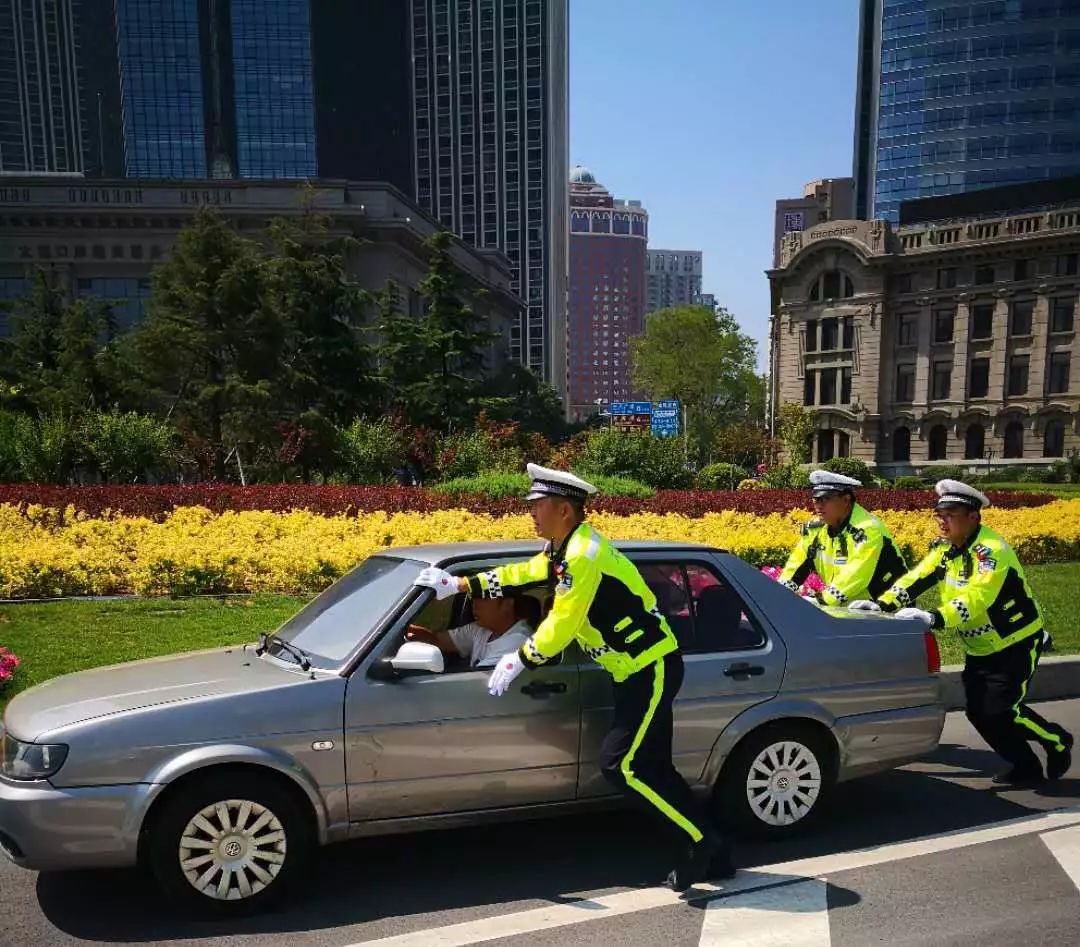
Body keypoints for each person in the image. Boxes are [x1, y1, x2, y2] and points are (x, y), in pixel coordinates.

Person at [413, 463, 735, 890]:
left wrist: (521, 658)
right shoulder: (563, 548)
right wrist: (460, 585)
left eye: (538, 505)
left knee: (623, 766)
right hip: (632, 670)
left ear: (564, 509)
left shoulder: (582, 556)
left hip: (649, 667)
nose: (531, 513)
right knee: (653, 767)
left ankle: (700, 844)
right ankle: (716, 851)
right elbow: (521, 575)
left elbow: (563, 620)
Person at [850, 479, 1073, 787]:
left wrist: (935, 617)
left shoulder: (991, 552)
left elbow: (976, 597)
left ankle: (1056, 740)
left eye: (950, 513)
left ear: (973, 517)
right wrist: (881, 604)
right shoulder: (945, 549)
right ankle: (1026, 767)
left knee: (1000, 711)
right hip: (979, 646)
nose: (942, 520)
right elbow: (916, 578)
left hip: (1015, 643)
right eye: (939, 513)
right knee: (980, 714)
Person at [777, 470, 907, 607]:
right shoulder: (815, 530)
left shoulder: (867, 529)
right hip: (847, 607)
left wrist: (821, 601)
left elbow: (856, 575)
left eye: (826, 499)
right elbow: (795, 567)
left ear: (846, 500)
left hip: (887, 607)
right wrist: (777, 595)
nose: (819, 505)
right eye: (816, 499)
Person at [404, 595, 538, 669]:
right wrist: (405, 629)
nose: (475, 603)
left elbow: (477, 679)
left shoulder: (517, 641)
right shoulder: (480, 629)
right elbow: (438, 641)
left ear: (507, 604)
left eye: (484, 598)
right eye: (474, 597)